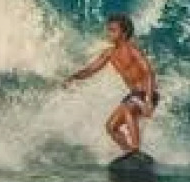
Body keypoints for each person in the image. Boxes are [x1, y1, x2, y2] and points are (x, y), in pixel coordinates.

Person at [66, 13, 160, 157]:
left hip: (146, 93)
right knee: (111, 127)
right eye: (108, 29)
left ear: (124, 33)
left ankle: (135, 150)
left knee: (128, 110)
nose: (108, 33)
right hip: (133, 96)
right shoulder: (109, 53)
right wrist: (74, 77)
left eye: (113, 30)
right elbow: (91, 69)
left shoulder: (132, 50)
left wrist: (147, 100)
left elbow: (149, 73)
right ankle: (129, 152)